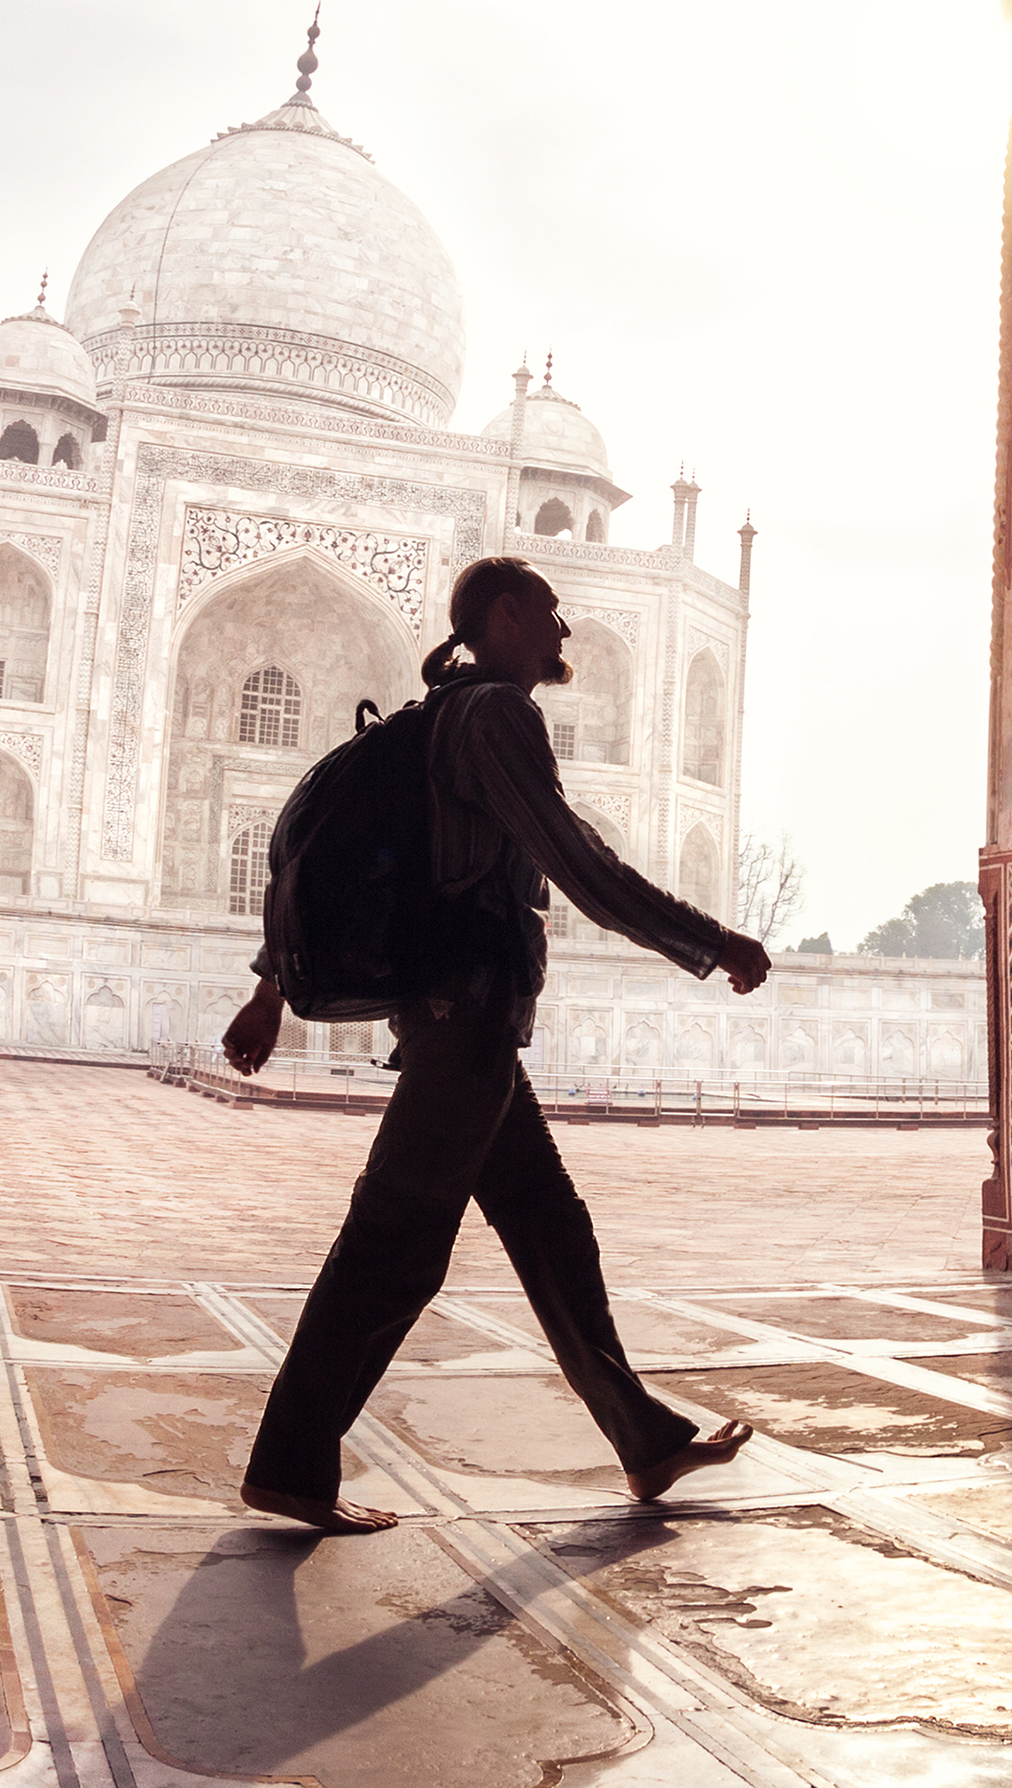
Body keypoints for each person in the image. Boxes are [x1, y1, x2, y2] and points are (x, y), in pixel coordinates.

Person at [227, 554, 770, 1530]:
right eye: (553, 615)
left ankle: (643, 1436)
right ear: (508, 614)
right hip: (464, 1018)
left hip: (466, 1022)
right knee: (394, 1241)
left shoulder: (437, 719)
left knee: (551, 1228)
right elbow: (576, 860)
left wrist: (269, 989)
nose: (565, 634)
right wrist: (707, 939)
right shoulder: (494, 718)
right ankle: (292, 1460)